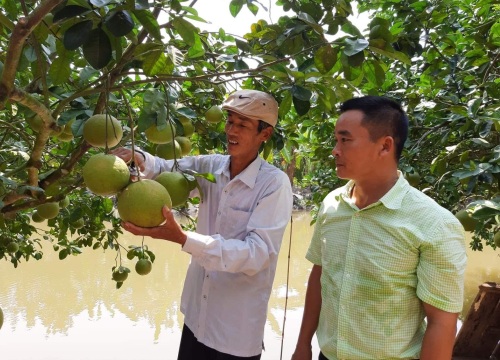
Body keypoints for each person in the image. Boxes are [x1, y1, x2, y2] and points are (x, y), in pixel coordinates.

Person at [113, 89, 293, 360]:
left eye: (243, 125)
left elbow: (256, 255)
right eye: (230, 122)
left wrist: (184, 239)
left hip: (234, 332)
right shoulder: (211, 166)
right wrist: (140, 158)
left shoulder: (274, 184)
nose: (232, 130)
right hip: (197, 318)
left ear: (264, 134)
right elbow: (166, 169)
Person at [291, 96, 467, 360]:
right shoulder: (331, 205)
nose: (335, 150)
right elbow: (320, 276)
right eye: (336, 140)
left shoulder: (433, 224)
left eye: (345, 140)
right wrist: (303, 345)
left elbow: (441, 322)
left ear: (385, 146)